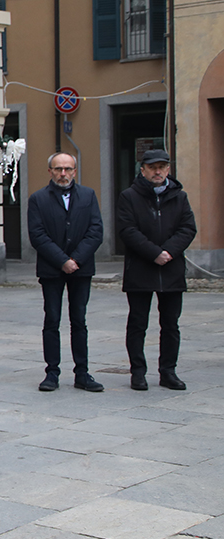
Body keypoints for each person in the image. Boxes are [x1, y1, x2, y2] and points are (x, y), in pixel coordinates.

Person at [116, 149, 198, 391]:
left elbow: (188, 228)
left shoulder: (179, 197)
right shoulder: (129, 196)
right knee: (138, 323)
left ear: (168, 169)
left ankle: (168, 371)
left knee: (171, 324)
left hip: (171, 269)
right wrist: (154, 253)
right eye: (152, 167)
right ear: (143, 170)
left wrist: (168, 252)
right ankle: (138, 372)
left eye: (162, 166)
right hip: (140, 268)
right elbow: (128, 230)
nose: (158, 171)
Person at [27, 152, 105, 392]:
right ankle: (52, 372)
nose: (63, 174)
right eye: (58, 169)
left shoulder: (88, 195)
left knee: (79, 320)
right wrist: (62, 260)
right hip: (52, 269)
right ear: (50, 171)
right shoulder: (38, 198)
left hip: (81, 269)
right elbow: (37, 235)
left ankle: (82, 372)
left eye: (68, 169)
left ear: (75, 170)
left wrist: (76, 259)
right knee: (52, 319)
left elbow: (96, 231)